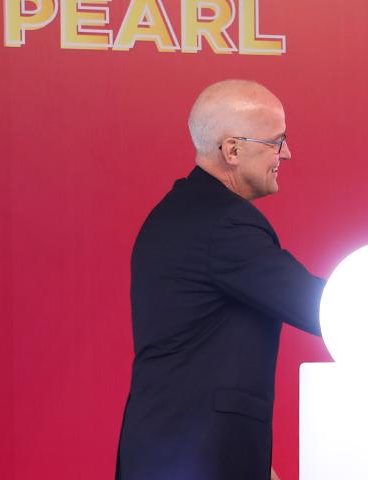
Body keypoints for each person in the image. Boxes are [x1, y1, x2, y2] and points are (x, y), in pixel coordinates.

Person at [116, 80, 324, 480]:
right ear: (232, 150)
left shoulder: (182, 211)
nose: (286, 153)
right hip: (192, 460)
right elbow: (318, 307)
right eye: (277, 141)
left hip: (175, 451)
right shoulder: (225, 223)